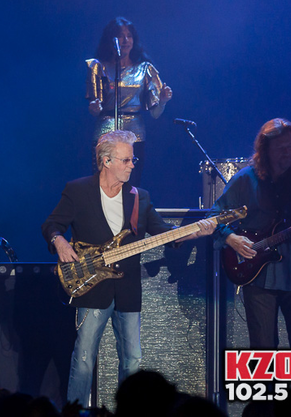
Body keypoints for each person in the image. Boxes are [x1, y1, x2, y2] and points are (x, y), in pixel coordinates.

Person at [41, 130, 216, 406]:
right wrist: (59, 240)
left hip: (128, 290)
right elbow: (51, 224)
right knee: (85, 359)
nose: (132, 165)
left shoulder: (139, 197)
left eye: (132, 160)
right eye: (126, 160)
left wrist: (196, 233)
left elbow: (165, 234)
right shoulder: (78, 190)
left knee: (132, 360)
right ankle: (76, 412)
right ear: (106, 161)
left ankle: (132, 413)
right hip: (91, 287)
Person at [208, 118, 291, 349]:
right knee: (262, 349)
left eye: (290, 147)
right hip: (258, 278)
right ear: (265, 150)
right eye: (280, 149)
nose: (287, 153)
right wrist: (231, 238)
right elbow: (215, 215)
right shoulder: (246, 179)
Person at [85, 17, 173, 186]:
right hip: (105, 131)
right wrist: (95, 108)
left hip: (134, 133)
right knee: (103, 184)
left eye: (129, 36)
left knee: (131, 184)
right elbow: (94, 108)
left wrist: (162, 101)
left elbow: (155, 114)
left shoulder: (144, 69)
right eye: (120, 36)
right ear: (111, 40)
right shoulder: (99, 67)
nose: (125, 40)